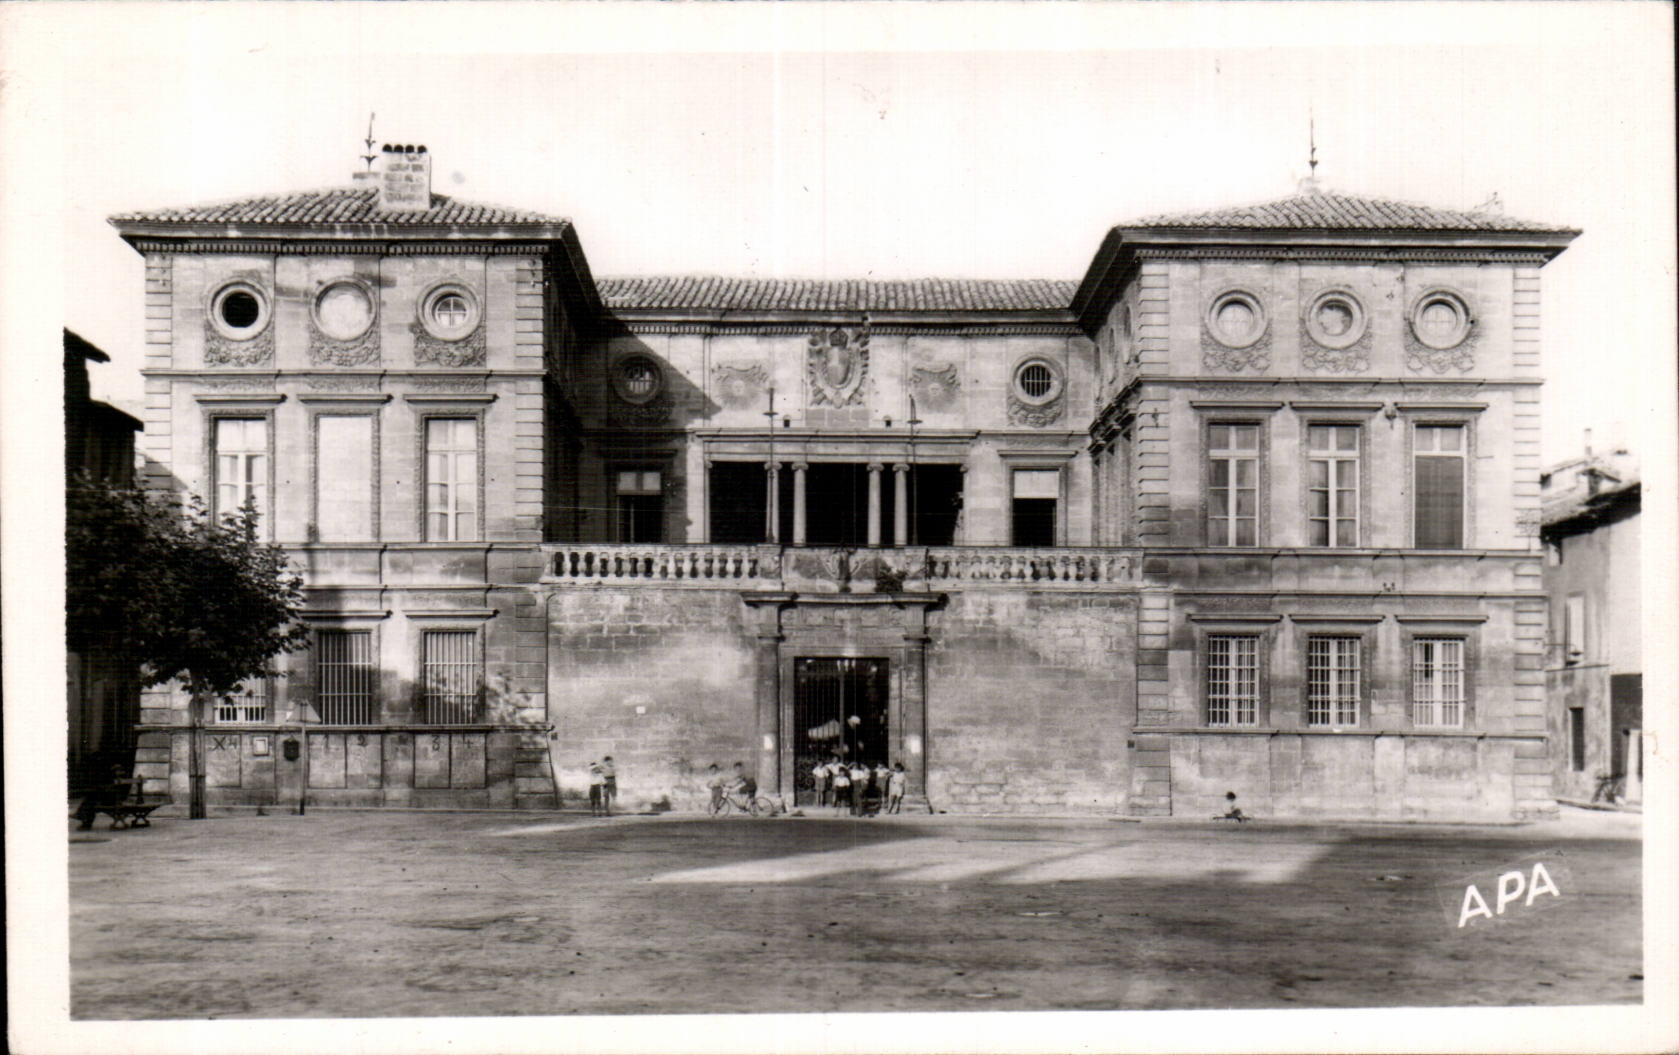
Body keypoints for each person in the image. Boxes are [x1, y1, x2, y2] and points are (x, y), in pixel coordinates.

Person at [75, 764, 135, 830]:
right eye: (115, 771)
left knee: (90, 802)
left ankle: (84, 822)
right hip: (113, 800)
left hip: (113, 801)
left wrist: (103, 790)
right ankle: (82, 819)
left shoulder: (119, 780)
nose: (116, 772)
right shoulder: (120, 779)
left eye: (117, 771)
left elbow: (111, 791)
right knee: (90, 801)